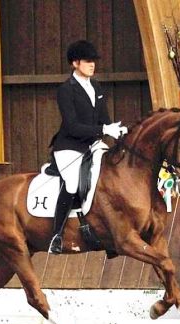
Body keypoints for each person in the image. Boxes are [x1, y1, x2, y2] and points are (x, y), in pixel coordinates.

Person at [48, 40, 127, 254]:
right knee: (72, 183)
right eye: (87, 61)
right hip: (69, 146)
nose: (92, 65)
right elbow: (72, 126)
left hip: (92, 144)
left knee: (110, 175)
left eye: (94, 61)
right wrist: (103, 129)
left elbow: (104, 119)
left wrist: (116, 130)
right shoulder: (66, 90)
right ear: (75, 63)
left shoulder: (96, 87)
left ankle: (107, 234)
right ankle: (56, 235)